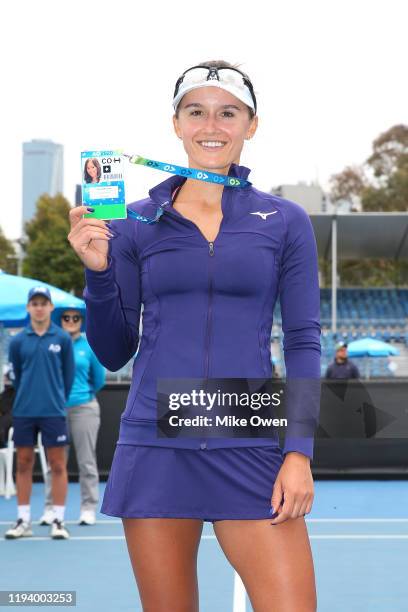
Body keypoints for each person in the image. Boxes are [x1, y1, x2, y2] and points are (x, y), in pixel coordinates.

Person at [68, 60, 321, 611]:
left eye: (228, 112)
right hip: (155, 443)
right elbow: (114, 349)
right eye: (197, 111)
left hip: (247, 430)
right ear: (177, 124)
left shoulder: (284, 220)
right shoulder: (133, 222)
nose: (213, 124)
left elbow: (303, 340)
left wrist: (298, 452)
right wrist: (98, 272)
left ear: (250, 125)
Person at [4, 287, 74, 540]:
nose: (39, 307)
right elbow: (17, 377)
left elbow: (67, 377)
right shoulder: (19, 341)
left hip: (53, 412)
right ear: (28, 308)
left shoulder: (63, 339)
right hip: (24, 411)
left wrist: (55, 400)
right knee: (23, 463)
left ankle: (58, 520)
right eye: (35, 303)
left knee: (57, 464)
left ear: (51, 307)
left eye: (44, 303)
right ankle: (23, 519)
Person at [39, 308, 106, 527]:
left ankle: (88, 508)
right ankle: (50, 508)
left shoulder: (88, 347)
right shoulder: (53, 344)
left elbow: (98, 380)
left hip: (84, 408)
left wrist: (81, 396)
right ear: (61, 321)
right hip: (55, 410)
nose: (70, 321)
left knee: (87, 462)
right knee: (55, 462)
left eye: (75, 318)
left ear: (81, 321)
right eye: (66, 318)